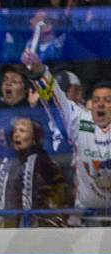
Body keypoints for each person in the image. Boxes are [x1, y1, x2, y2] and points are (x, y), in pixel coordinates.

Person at [23, 49, 111, 215]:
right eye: (97, 100)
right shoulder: (81, 120)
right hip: (87, 216)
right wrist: (40, 71)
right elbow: (57, 99)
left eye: (108, 101)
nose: (101, 104)